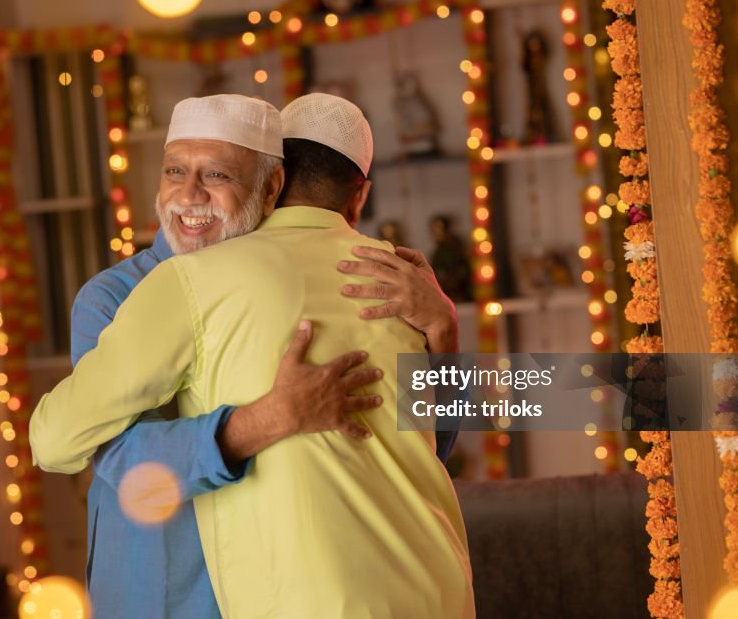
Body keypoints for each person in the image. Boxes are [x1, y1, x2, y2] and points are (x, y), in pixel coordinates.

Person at [31, 93, 473, 618]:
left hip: (290, 590)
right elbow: (113, 455)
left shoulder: (382, 281)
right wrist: (270, 418)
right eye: (174, 171)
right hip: (169, 592)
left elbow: (427, 444)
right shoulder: (114, 296)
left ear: (270, 189)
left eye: (217, 175)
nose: (190, 194)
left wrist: (445, 332)